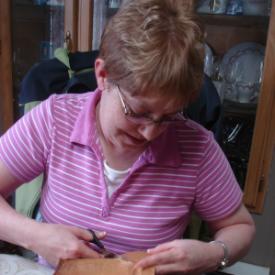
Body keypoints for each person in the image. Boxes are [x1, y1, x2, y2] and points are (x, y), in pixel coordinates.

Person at [0, 0, 255, 274]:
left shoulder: (197, 148)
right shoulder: (54, 119)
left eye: (168, 116)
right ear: (103, 75)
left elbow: (239, 226)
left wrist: (212, 254)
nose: (150, 132)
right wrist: (37, 236)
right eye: (138, 112)